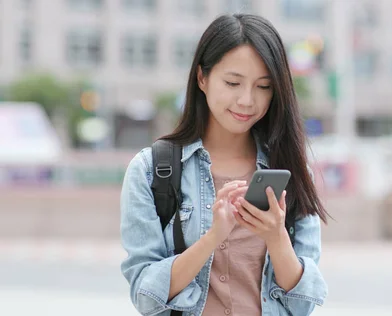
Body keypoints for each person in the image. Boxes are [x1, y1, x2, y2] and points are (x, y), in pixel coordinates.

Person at [120, 13, 329, 316]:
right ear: (202, 78)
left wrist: (276, 236)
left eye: (264, 86)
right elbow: (146, 297)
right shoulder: (152, 169)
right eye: (233, 82)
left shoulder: (291, 171)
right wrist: (214, 237)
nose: (247, 100)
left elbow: (303, 305)